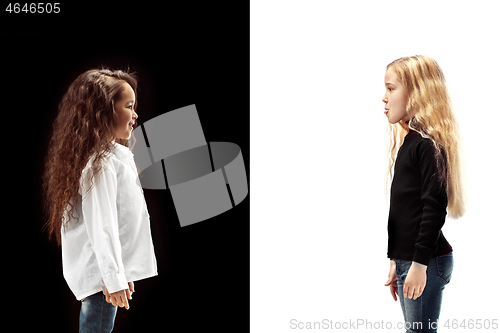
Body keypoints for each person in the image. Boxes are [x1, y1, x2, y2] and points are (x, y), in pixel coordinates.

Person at [42, 68, 158, 332]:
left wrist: (122, 272)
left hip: (105, 279)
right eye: (129, 106)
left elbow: (118, 222)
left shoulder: (109, 158)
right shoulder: (101, 163)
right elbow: (102, 225)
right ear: (104, 110)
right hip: (102, 284)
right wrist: (113, 278)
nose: (135, 115)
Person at [381, 55, 466, 332]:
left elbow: (434, 207)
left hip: (426, 261)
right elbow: (406, 210)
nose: (384, 97)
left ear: (416, 92)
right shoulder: (410, 141)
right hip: (413, 259)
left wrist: (418, 265)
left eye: (391, 88)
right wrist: (397, 259)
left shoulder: (427, 143)